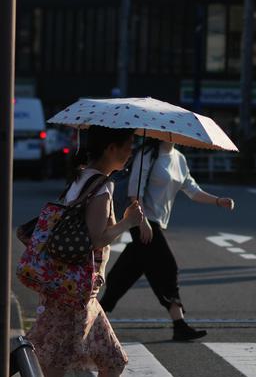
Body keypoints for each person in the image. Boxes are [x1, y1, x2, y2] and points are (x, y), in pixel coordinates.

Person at [22, 126, 165, 377]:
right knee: (48, 372)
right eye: (128, 146)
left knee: (111, 361)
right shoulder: (101, 186)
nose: (131, 153)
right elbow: (95, 238)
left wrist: (132, 219)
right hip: (75, 298)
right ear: (111, 148)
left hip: (81, 295)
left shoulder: (82, 178)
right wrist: (128, 222)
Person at [98, 140, 236, 341]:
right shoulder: (147, 155)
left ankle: (95, 316)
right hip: (142, 221)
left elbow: (192, 190)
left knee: (127, 271)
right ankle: (179, 325)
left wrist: (217, 200)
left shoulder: (179, 159)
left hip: (156, 223)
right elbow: (134, 193)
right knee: (167, 268)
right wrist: (143, 221)